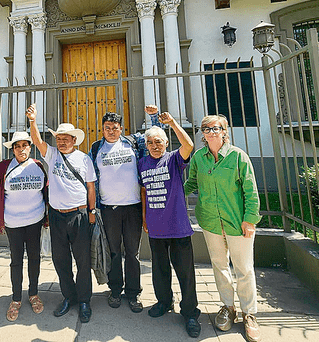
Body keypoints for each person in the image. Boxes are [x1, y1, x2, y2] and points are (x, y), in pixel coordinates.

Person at [184, 115, 261, 342]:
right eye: (205, 129)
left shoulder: (238, 157)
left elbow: (251, 190)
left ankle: (250, 313)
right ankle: (228, 307)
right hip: (210, 222)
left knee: (244, 268)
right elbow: (192, 183)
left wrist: (250, 219)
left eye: (215, 128)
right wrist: (173, 190)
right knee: (219, 266)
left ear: (224, 131)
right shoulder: (199, 157)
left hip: (237, 222)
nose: (210, 132)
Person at [26, 103, 97, 323]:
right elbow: (37, 141)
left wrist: (92, 211)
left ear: (74, 140)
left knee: (83, 260)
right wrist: (33, 121)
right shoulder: (52, 154)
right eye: (59, 138)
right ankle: (69, 296)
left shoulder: (84, 159)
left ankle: (84, 300)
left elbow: (91, 187)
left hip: (79, 215)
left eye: (66, 138)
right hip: (56, 216)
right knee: (60, 260)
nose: (62, 141)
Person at [88, 106, 163, 313]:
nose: (111, 131)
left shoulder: (133, 143)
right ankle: (115, 290)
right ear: (102, 130)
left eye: (115, 127)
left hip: (133, 208)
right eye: (107, 127)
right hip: (109, 209)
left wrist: (154, 117)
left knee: (132, 253)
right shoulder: (96, 148)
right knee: (113, 252)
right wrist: (91, 208)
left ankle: (133, 293)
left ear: (121, 129)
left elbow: (156, 136)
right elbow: (89, 178)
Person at [137, 114, 201, 338]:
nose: (155, 146)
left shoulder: (174, 159)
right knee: (160, 269)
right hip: (155, 228)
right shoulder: (143, 163)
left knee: (185, 272)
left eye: (159, 142)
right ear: (146, 146)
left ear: (166, 143)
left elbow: (189, 145)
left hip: (178, 226)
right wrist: (144, 219)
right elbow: (143, 192)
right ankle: (164, 302)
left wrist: (172, 123)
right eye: (150, 143)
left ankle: (190, 312)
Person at [0, 132, 48, 321]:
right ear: (13, 149)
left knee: (34, 258)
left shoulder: (38, 165)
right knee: (16, 260)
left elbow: (46, 189)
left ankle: (33, 294)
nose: (22, 149)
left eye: (25, 145)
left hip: (35, 220)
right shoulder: (6, 166)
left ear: (30, 148)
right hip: (13, 223)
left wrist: (48, 216)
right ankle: (16, 298)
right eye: (18, 146)